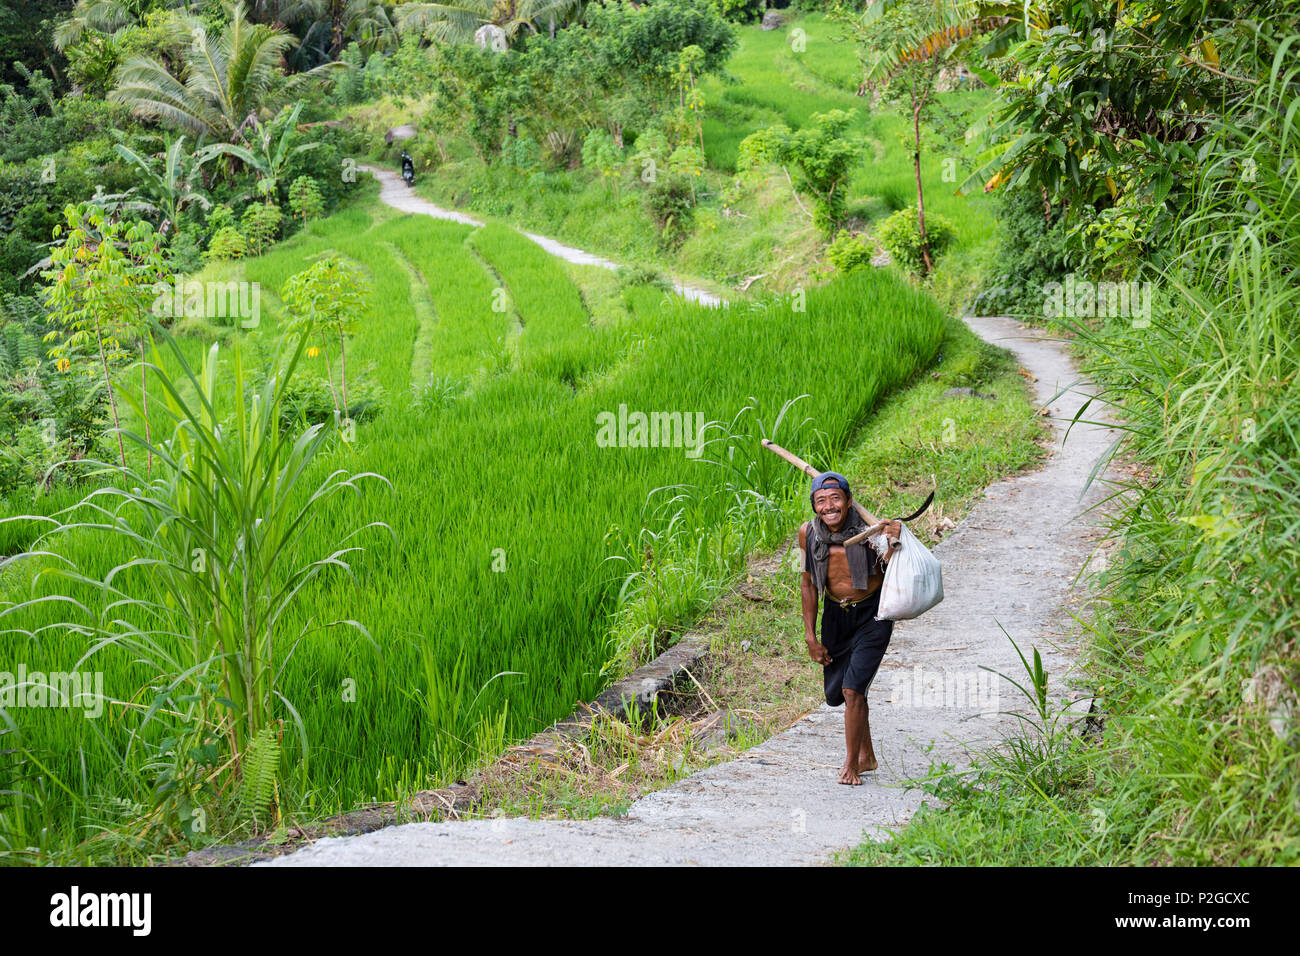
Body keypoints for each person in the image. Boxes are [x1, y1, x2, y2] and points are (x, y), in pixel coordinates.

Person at [798, 472, 902, 785]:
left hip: (872, 615)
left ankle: (851, 764)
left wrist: (893, 539)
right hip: (835, 616)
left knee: (852, 689)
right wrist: (810, 636)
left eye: (835, 499)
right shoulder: (808, 534)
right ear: (815, 506)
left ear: (848, 501)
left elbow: (893, 563)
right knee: (838, 694)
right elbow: (807, 584)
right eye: (821, 501)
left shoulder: (871, 531)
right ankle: (867, 755)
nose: (829, 507)